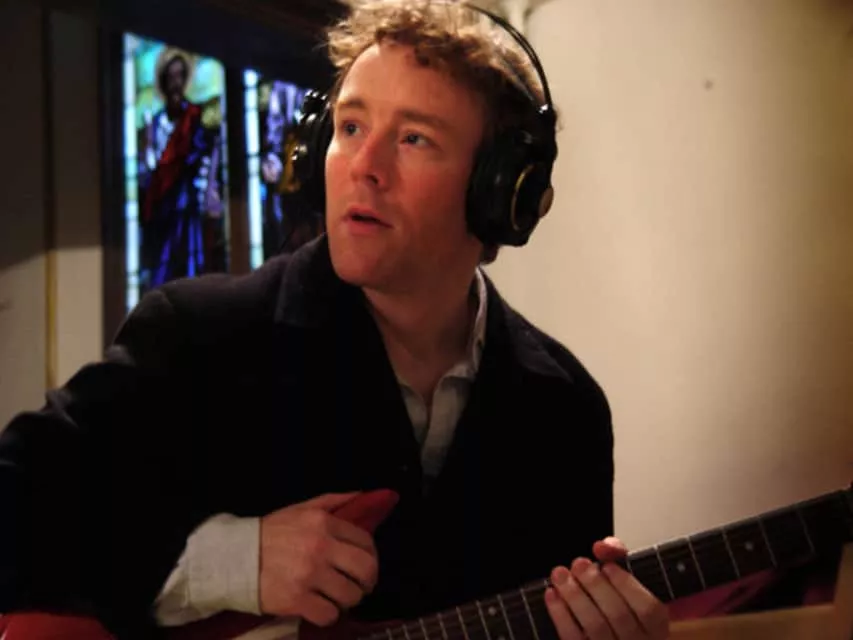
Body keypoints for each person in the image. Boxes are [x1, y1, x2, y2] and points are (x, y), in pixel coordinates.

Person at [0, 2, 670, 639]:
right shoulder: (198, 335)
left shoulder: (566, 410)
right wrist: (233, 563)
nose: (363, 168)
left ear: (501, 192)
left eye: (413, 138)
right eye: (350, 128)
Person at [138, 50, 227, 293]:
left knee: (192, 258)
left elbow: (206, 151)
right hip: (163, 207)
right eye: (171, 78)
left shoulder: (194, 117)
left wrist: (209, 189)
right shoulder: (156, 123)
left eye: (180, 77)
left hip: (188, 203)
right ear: (163, 82)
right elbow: (150, 168)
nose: (175, 84)